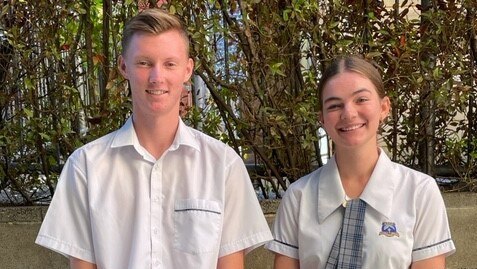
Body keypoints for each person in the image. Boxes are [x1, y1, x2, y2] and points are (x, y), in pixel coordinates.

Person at [36, 8, 272, 269]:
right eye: (144, 63)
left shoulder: (223, 165)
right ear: (124, 66)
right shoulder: (85, 167)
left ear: (187, 69)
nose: (157, 77)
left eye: (169, 63)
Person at [265, 55, 455, 269]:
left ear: (384, 107)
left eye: (361, 100)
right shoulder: (299, 197)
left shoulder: (419, 192)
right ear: (322, 119)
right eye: (335, 105)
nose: (348, 113)